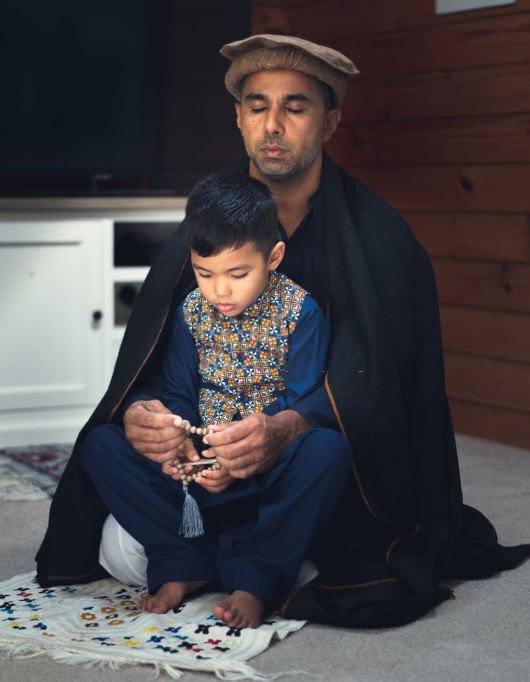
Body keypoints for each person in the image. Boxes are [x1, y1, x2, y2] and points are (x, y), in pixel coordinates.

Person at [36, 34, 530, 628]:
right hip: (203, 474)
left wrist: (287, 428)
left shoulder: (384, 241)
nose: (273, 124)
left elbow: (387, 392)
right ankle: (233, 559)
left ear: (329, 121)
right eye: (257, 106)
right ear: (238, 119)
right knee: (114, 529)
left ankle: (250, 560)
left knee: (332, 512)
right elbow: (156, 368)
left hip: (310, 478)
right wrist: (146, 417)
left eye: (295, 107)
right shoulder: (205, 226)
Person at [80, 172, 350, 628]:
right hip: (199, 479)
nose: (220, 291)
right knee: (100, 445)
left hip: (265, 473)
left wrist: (246, 454)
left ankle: (257, 578)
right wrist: (178, 446)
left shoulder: (300, 313)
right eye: (205, 273)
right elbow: (180, 394)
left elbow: (300, 404)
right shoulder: (191, 311)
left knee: (327, 451)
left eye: (238, 274)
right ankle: (185, 562)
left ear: (274, 258)